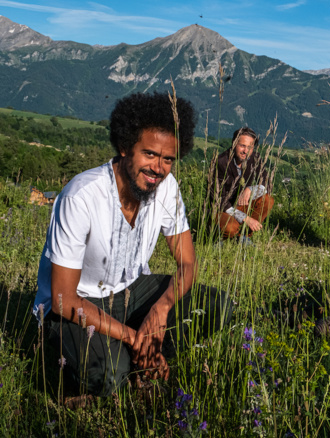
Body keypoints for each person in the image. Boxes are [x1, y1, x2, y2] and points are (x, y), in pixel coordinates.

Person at [32, 92, 232, 398]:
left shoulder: (167, 188)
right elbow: (63, 298)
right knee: (109, 375)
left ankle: (144, 355)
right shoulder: (81, 196)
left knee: (218, 305)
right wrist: (134, 337)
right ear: (125, 147)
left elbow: (187, 263)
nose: (158, 168)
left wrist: (160, 311)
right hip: (78, 305)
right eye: (149, 154)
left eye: (168, 159)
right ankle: (127, 359)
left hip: (130, 293)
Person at [208, 127, 274, 244]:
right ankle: (218, 237)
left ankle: (243, 236)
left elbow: (267, 183)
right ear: (234, 144)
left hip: (241, 205)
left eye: (250, 147)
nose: (245, 151)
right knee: (230, 227)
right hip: (222, 209)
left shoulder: (255, 158)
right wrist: (246, 218)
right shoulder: (220, 163)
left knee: (267, 200)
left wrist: (251, 189)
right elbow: (219, 199)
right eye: (242, 146)